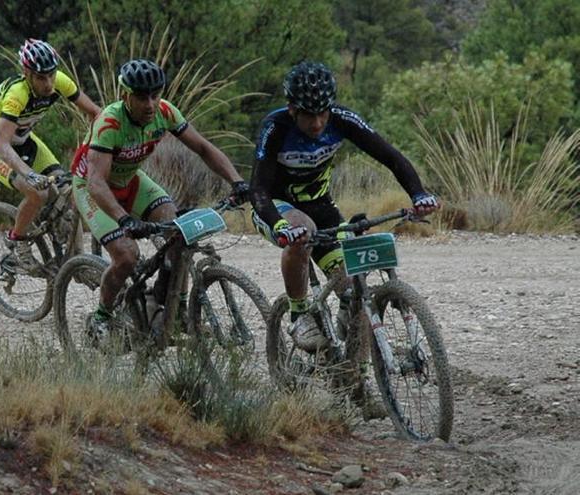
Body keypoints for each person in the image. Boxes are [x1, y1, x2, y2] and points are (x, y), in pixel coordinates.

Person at [248, 61, 439, 413]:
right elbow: (257, 188)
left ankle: (352, 383)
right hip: (275, 207)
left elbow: (391, 157)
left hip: (321, 207)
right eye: (308, 115)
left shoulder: (342, 119)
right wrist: (278, 224)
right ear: (292, 109)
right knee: (300, 232)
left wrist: (418, 194)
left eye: (322, 113)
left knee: (353, 290)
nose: (318, 123)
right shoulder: (275, 127)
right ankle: (298, 313)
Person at [71, 58, 250, 344]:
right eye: (142, 97)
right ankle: (101, 317)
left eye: (156, 94)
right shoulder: (109, 123)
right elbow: (95, 182)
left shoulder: (164, 112)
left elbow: (203, 148)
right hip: (94, 188)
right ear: (125, 96)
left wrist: (236, 181)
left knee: (178, 231)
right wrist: (124, 219)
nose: (151, 104)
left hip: (131, 180)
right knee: (127, 256)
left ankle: (168, 307)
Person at [0, 39, 99, 266]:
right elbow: (2, 146)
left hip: (25, 139)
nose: (49, 83)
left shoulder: (59, 81)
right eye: (41, 78)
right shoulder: (17, 94)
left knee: (69, 189)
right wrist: (29, 174)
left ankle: (75, 260)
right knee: (37, 193)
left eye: (51, 75)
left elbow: (95, 112)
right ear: (26, 73)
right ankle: (18, 241)